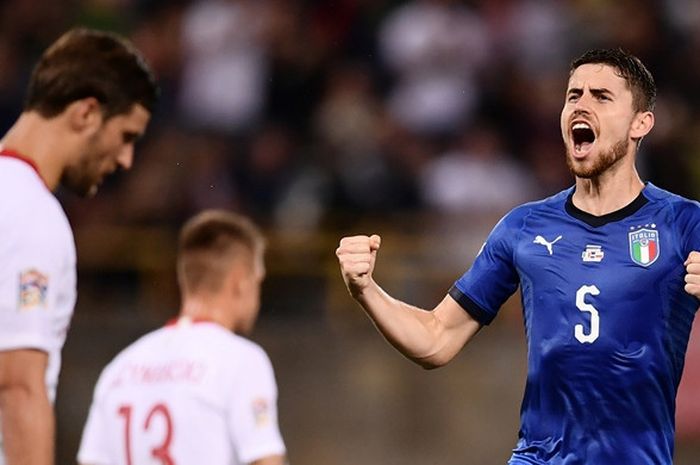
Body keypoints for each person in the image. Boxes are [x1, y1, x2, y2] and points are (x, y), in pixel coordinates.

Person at [336, 48, 700, 464]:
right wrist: (365, 289)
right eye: (573, 95)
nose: (581, 105)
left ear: (641, 123)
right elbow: (436, 339)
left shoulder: (683, 223)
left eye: (601, 96)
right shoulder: (523, 228)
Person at [0, 28, 158, 465]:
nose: (126, 160)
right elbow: (18, 385)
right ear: (87, 113)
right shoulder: (30, 213)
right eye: (126, 136)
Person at [77, 210, 287, 465]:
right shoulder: (242, 360)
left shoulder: (120, 367)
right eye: (258, 281)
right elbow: (265, 460)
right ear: (241, 281)